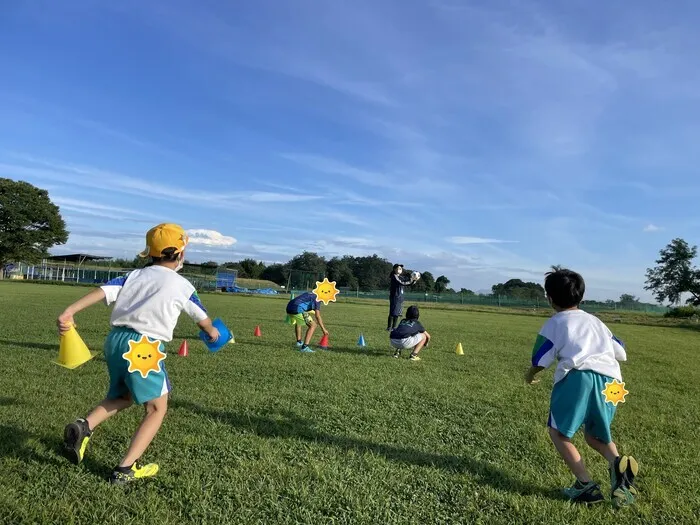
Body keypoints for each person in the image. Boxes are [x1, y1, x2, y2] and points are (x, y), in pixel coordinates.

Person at [57, 223, 220, 485]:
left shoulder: (133, 275)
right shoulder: (183, 285)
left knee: (123, 395)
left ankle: (84, 426)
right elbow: (202, 320)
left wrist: (69, 311)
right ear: (179, 253)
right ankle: (125, 469)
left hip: (115, 340)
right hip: (144, 347)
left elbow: (103, 292)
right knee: (156, 408)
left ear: (151, 252)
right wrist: (213, 333)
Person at [525, 268, 638, 507]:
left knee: (559, 433)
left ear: (549, 298)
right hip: (613, 383)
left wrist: (531, 373)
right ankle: (618, 465)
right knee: (595, 435)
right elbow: (621, 350)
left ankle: (586, 486)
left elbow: (540, 356)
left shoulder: (555, 322)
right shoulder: (596, 322)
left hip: (579, 379)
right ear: (581, 297)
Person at [387, 263, 418, 331]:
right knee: (393, 312)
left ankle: (394, 327)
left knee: (397, 313)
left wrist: (413, 280)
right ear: (394, 269)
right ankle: (389, 327)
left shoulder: (401, 277)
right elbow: (402, 283)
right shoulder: (394, 276)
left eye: (401, 268)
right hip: (395, 296)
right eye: (398, 268)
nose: (400, 269)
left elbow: (407, 282)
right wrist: (411, 281)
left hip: (400, 297)